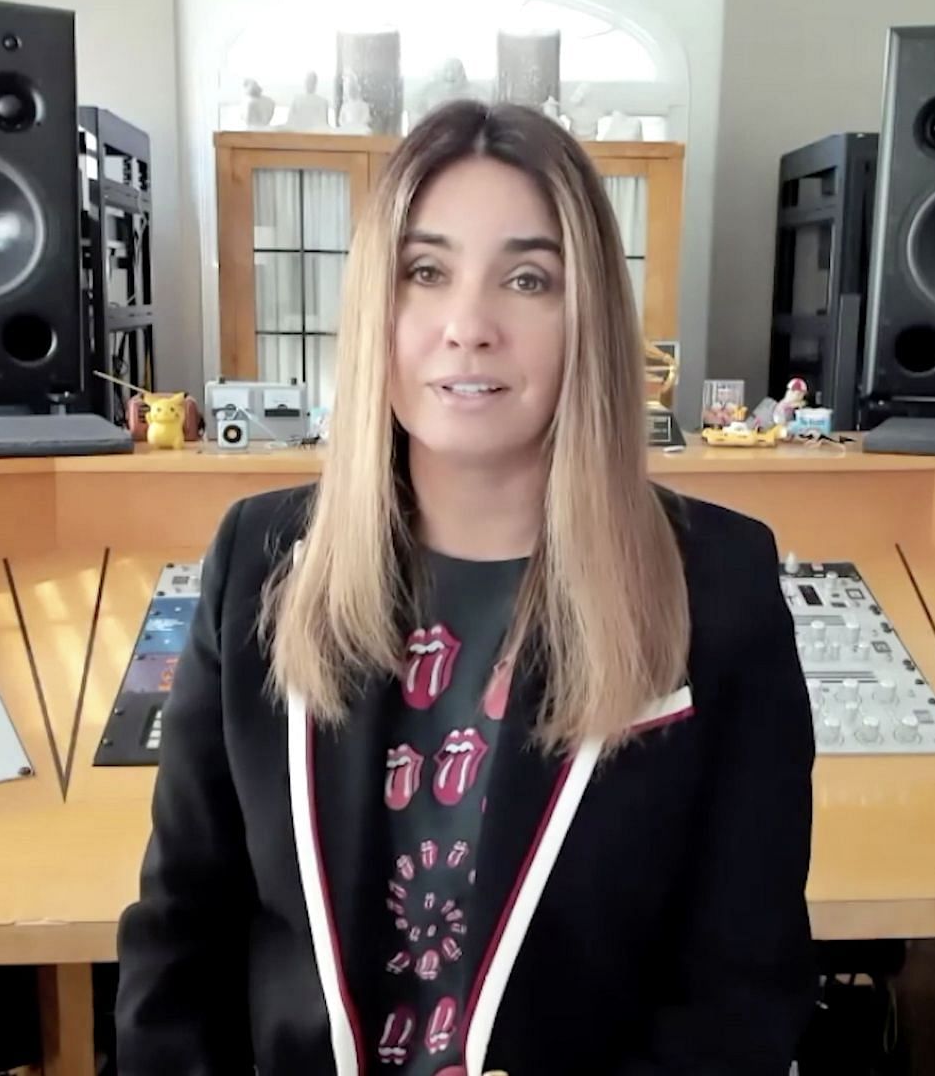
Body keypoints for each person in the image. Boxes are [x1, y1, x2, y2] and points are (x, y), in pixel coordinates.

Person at [115, 100, 816, 1075]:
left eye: (527, 279)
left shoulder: (722, 584)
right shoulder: (260, 556)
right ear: (376, 307)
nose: (469, 327)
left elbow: (739, 990)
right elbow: (180, 929)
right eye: (426, 272)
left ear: (590, 318)